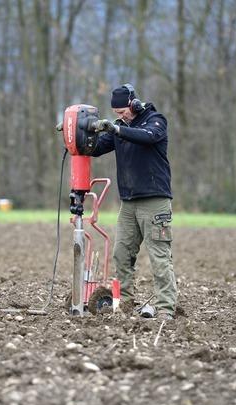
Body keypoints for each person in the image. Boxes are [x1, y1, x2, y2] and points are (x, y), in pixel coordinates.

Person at [91, 84, 176, 320]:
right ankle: (125, 302)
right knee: (121, 253)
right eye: (116, 114)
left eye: (123, 112)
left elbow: (148, 137)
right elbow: (96, 148)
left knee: (159, 255)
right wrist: (77, 132)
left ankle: (166, 308)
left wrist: (117, 129)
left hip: (155, 201)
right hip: (128, 203)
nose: (121, 117)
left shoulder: (155, 120)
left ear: (134, 104)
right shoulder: (121, 128)